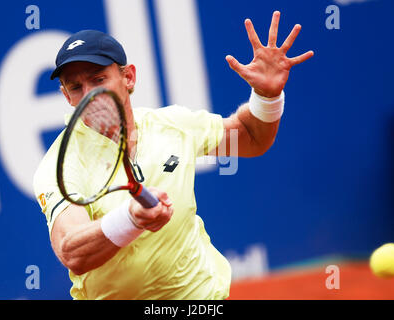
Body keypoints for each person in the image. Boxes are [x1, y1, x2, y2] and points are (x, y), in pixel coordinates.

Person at [33, 11, 313, 299]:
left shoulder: (172, 125)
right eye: (76, 87)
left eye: (98, 79)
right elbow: (72, 251)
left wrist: (267, 96)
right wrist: (131, 220)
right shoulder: (60, 165)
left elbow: (252, 138)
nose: (89, 94)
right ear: (66, 96)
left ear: (128, 77)